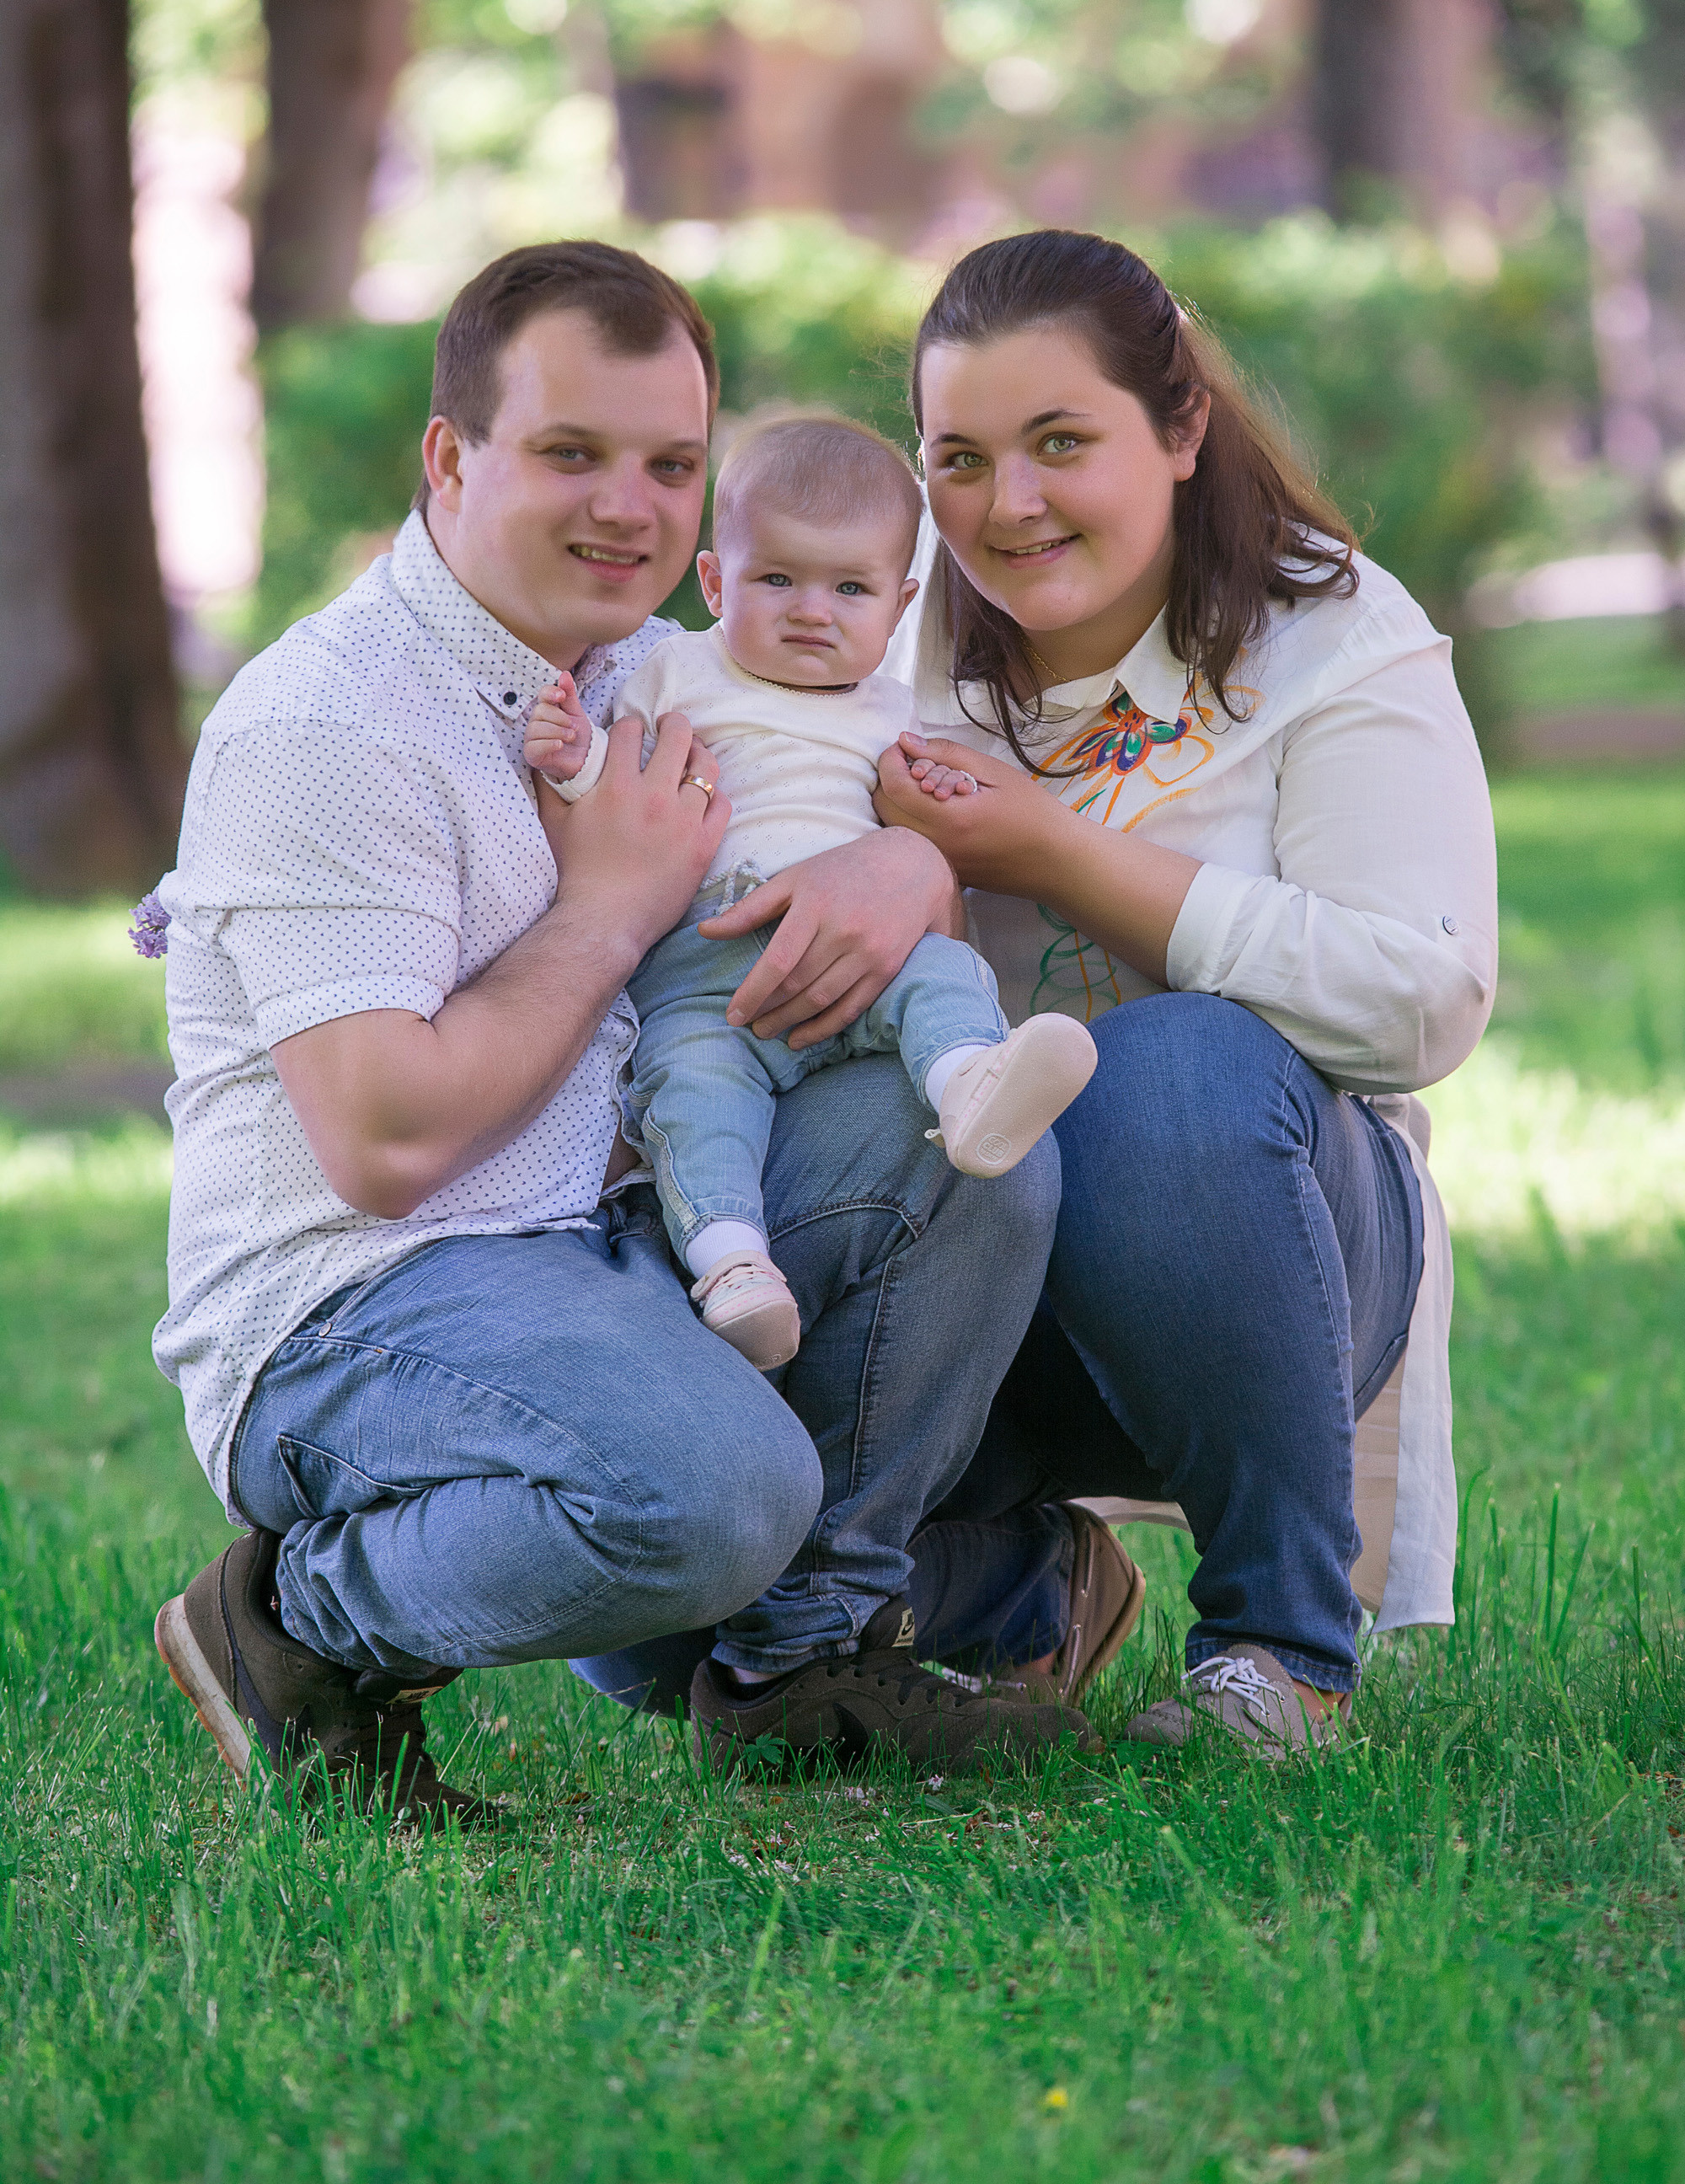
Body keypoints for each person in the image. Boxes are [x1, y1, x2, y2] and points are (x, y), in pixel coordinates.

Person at [146, 240, 1096, 1823]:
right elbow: (385, 1144)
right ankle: (292, 1626)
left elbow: (849, 811)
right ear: (452, 459)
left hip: (612, 1232)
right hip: (355, 1300)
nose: (629, 510)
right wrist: (605, 908)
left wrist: (903, 859)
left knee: (970, 1145)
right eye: (572, 454)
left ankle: (802, 1667)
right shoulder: (329, 726)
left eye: (670, 466)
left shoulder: (657, 668)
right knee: (718, 1493)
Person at [864, 227, 1499, 1758]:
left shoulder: (1335, 636)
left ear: (1182, 428)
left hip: (1270, 1246)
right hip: (983, 1281)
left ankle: (1283, 1652)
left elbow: (1425, 1003)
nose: (1008, 506)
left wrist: (1057, 854)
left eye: (1061, 443)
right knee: (667, 1631)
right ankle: (1027, 1595)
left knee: (1159, 1068)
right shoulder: (886, 657)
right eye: (960, 458)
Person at [523, 409, 1097, 1370]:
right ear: (715, 580)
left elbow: (918, 828)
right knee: (691, 1091)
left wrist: (939, 799)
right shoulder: (680, 670)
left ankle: (969, 1085)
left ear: (897, 602)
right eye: (776, 578)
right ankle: (732, 1264)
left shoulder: (890, 709)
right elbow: (615, 792)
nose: (810, 610)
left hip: (855, 965)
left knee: (943, 970)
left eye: (849, 588)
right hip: (709, 968)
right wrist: (576, 757)